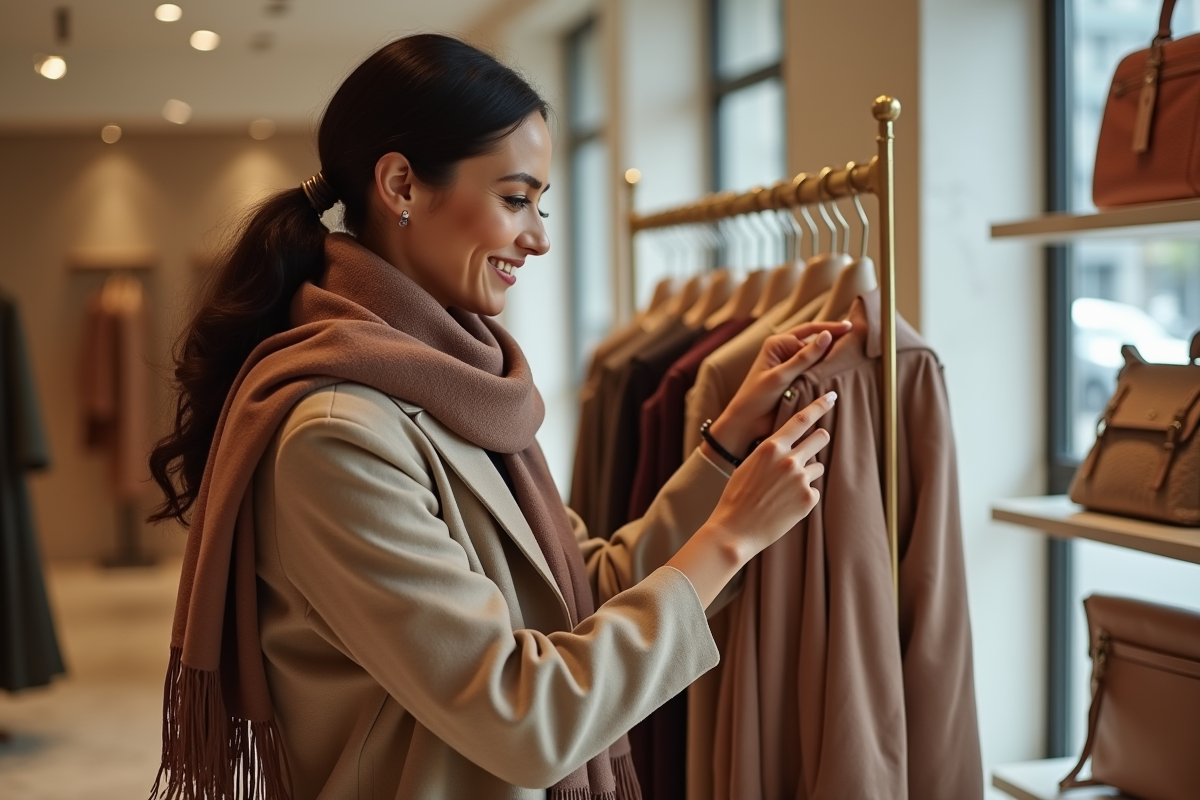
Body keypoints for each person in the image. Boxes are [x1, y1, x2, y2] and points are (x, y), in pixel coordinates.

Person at [146, 33, 849, 800]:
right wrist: (730, 536)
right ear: (401, 185)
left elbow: (584, 591)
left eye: (541, 204)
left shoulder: (460, 387)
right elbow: (522, 715)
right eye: (515, 200)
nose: (539, 238)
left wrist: (726, 449)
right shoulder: (338, 436)